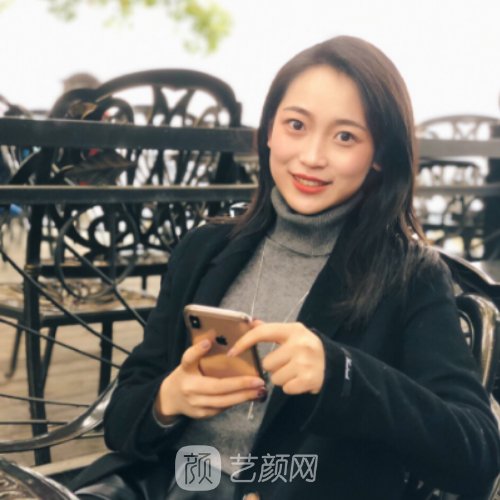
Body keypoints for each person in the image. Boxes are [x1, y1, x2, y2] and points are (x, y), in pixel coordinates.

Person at [72, 36, 500, 500]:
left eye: (345, 136)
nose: (312, 157)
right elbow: (122, 419)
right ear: (268, 132)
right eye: (296, 125)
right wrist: (168, 400)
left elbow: (476, 455)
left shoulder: (409, 277)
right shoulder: (204, 248)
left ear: (379, 154)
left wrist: (344, 375)